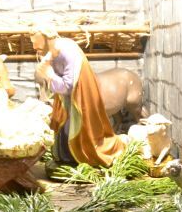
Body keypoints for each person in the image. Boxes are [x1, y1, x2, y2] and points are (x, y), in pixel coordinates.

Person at [30, 23, 124, 167]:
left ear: (47, 39)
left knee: (74, 130)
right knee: (61, 127)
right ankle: (65, 158)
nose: (34, 47)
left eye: (36, 43)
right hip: (65, 100)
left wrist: (49, 75)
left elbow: (68, 86)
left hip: (79, 101)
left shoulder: (68, 51)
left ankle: (81, 157)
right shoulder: (51, 53)